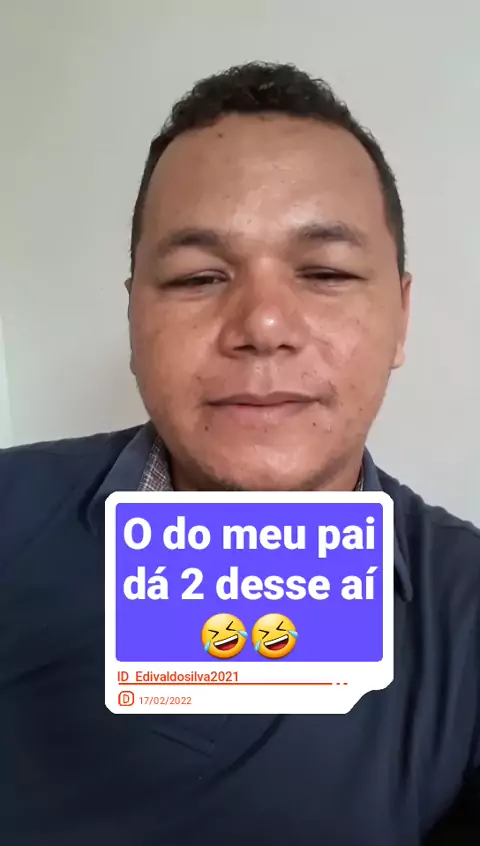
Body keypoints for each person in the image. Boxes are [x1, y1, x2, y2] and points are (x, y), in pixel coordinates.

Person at [0, 61, 478, 846]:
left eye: (325, 272)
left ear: (401, 317)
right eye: (198, 277)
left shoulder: (465, 608)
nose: (262, 326)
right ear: (133, 318)